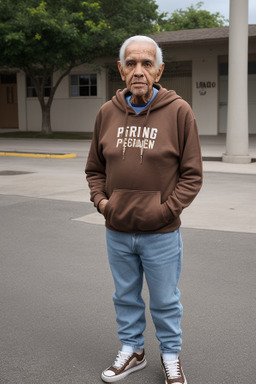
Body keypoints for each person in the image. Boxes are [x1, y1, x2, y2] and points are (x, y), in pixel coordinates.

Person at [85, 35, 203, 384]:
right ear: (120, 70)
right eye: (131, 63)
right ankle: (133, 350)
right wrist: (104, 204)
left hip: (162, 233)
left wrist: (165, 211)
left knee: (166, 301)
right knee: (125, 296)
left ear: (159, 69)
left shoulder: (179, 111)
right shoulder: (106, 113)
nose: (139, 70)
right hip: (117, 231)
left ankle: (170, 356)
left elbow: (192, 175)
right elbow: (94, 169)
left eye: (146, 63)